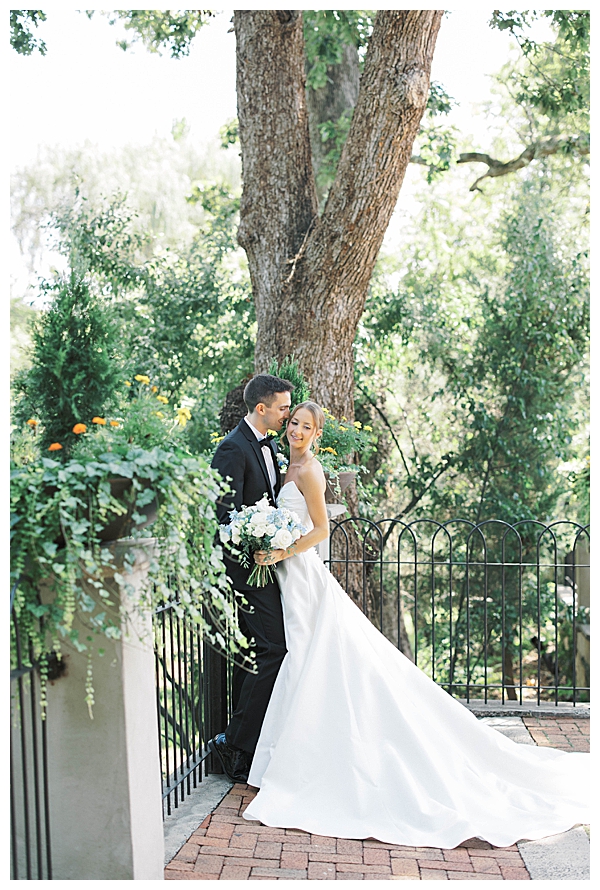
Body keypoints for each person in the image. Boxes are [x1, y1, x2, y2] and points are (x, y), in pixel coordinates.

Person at [243, 400, 589, 848]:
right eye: (294, 423)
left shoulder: (310, 470)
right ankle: (286, 759)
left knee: (308, 657)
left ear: (317, 433)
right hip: (287, 574)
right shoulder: (284, 462)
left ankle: (303, 763)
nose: (297, 430)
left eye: (306, 426)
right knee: (302, 657)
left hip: (301, 573)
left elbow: (322, 529)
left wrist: (281, 550)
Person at [209, 373, 294, 783]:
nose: (287, 415)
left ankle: (244, 745)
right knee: (273, 648)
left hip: (269, 566)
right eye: (283, 408)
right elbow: (222, 515)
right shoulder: (232, 448)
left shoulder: (270, 444)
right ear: (262, 408)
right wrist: (254, 544)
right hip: (246, 572)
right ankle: (234, 743)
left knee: (258, 651)